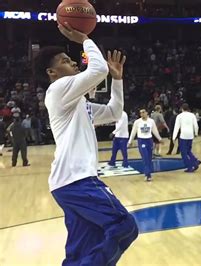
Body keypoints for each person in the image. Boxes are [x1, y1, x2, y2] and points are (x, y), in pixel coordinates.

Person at [36, 23, 138, 265]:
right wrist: (84, 37)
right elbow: (98, 68)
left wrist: (118, 80)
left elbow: (114, 112)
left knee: (80, 252)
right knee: (124, 225)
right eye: (64, 60)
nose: (72, 62)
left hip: (67, 184)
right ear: (52, 72)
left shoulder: (79, 104)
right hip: (77, 180)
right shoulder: (58, 89)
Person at [128, 109, 162, 181]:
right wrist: (130, 141)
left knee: (149, 158)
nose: (142, 114)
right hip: (141, 140)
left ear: (147, 113)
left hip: (149, 140)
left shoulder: (151, 121)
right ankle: (147, 174)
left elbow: (154, 131)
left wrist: (159, 139)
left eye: (143, 112)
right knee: (145, 157)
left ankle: (148, 173)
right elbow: (133, 132)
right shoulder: (137, 122)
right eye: (140, 113)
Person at [173, 103, 200, 172]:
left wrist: (174, 137)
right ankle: (195, 161)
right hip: (190, 135)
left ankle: (190, 166)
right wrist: (196, 133)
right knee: (188, 151)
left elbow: (176, 127)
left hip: (183, 136)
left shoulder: (179, 116)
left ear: (182, 109)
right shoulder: (192, 115)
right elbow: (196, 125)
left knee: (183, 153)